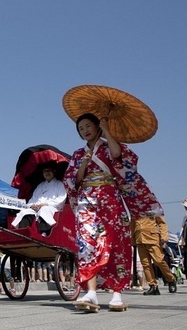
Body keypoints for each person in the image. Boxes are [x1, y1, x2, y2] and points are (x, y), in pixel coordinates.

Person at [63, 113, 162, 311]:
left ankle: (116, 293)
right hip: (86, 200)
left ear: (97, 126)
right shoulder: (77, 154)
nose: (85, 130)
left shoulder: (109, 146)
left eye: (89, 125)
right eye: (81, 128)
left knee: (114, 242)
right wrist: (85, 161)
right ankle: (91, 293)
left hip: (109, 197)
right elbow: (73, 181)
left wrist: (107, 130)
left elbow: (119, 156)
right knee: (86, 243)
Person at [12, 166, 67, 236]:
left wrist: (46, 204)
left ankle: (44, 232)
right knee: (25, 212)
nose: (47, 173)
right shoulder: (40, 186)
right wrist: (32, 205)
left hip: (52, 207)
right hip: (37, 208)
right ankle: (23, 233)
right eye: (45, 171)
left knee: (44, 210)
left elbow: (61, 198)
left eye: (49, 171)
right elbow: (33, 199)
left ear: (54, 172)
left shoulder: (59, 184)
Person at [130, 215, 177, 295]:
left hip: (152, 238)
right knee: (146, 264)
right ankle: (153, 286)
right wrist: (133, 241)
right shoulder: (135, 208)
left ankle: (171, 279)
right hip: (140, 239)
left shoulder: (153, 206)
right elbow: (132, 225)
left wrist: (164, 238)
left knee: (159, 260)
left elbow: (162, 223)